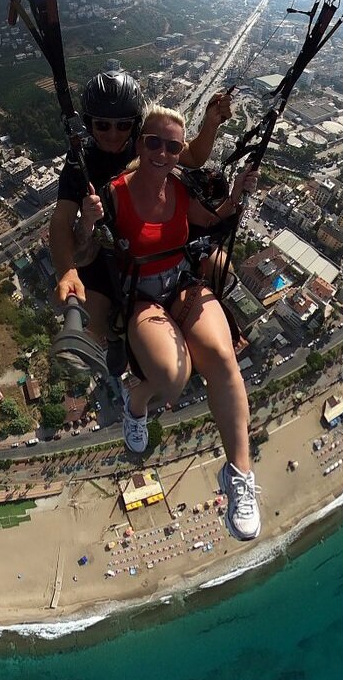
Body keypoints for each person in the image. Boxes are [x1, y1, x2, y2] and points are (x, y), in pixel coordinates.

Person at [90, 102, 262, 541]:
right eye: (153, 142)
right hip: (141, 297)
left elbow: (216, 218)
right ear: (139, 144)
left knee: (223, 358)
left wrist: (239, 191)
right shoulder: (114, 193)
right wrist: (88, 224)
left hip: (180, 283)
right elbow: (84, 252)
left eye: (172, 146)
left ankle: (239, 475)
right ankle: (137, 400)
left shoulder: (182, 191)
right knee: (172, 377)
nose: (162, 153)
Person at [50, 70, 233, 353]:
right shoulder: (81, 162)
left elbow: (193, 156)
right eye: (103, 125)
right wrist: (67, 271)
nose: (113, 134)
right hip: (111, 245)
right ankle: (114, 346)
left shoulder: (147, 140)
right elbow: (61, 220)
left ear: (134, 127)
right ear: (89, 124)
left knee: (221, 267)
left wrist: (211, 124)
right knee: (94, 318)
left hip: (152, 228)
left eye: (123, 125)